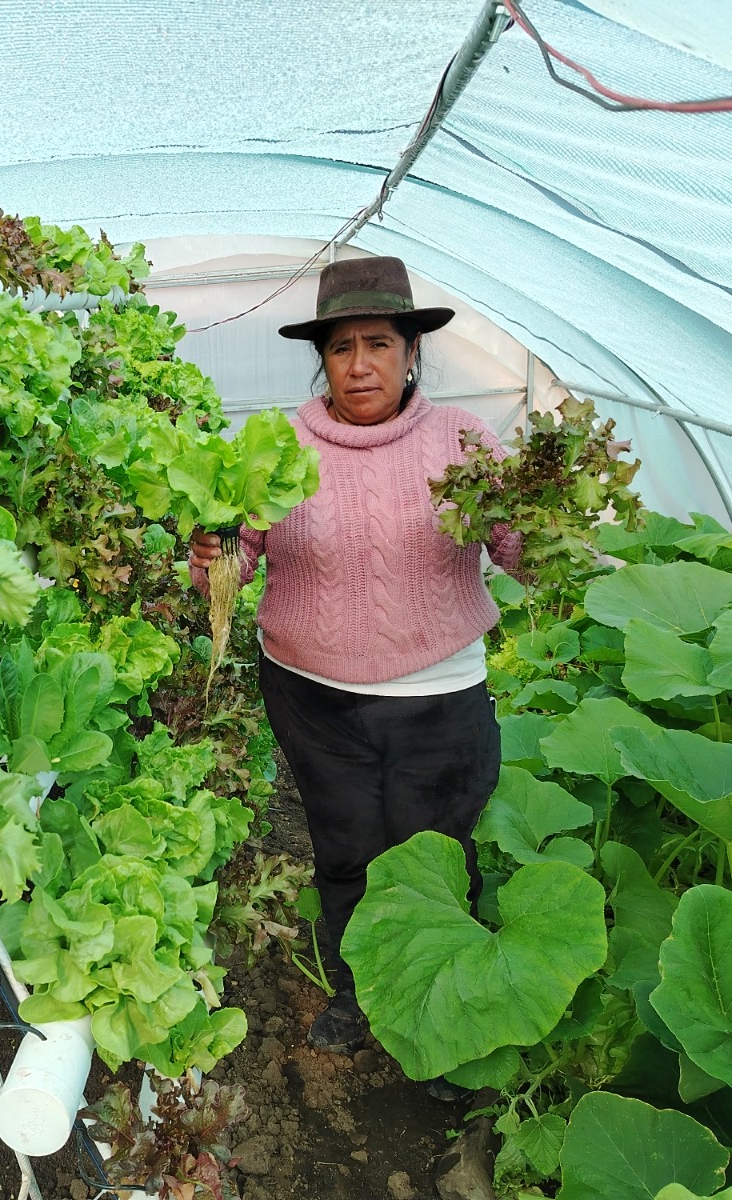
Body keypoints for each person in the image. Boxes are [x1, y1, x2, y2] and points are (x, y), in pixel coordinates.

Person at [190, 255, 520, 1055]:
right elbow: (238, 556)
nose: (360, 364)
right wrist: (212, 551)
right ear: (322, 360)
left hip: (438, 699)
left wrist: (554, 530)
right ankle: (359, 994)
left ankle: (442, 1019)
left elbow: (521, 549)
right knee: (343, 853)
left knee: (435, 863)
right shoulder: (276, 445)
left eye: (379, 342)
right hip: (313, 696)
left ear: (413, 351)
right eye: (341, 348)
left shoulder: (463, 439)